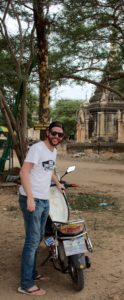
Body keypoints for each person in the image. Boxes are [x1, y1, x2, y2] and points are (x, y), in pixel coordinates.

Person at [18, 121, 64, 296]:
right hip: (32, 199)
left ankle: (32, 273)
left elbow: (49, 169)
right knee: (31, 241)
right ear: (48, 132)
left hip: (44, 200)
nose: (56, 137)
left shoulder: (54, 151)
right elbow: (24, 172)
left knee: (38, 238)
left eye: (60, 135)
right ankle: (26, 284)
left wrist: (58, 184)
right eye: (54, 133)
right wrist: (30, 197)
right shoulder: (37, 148)